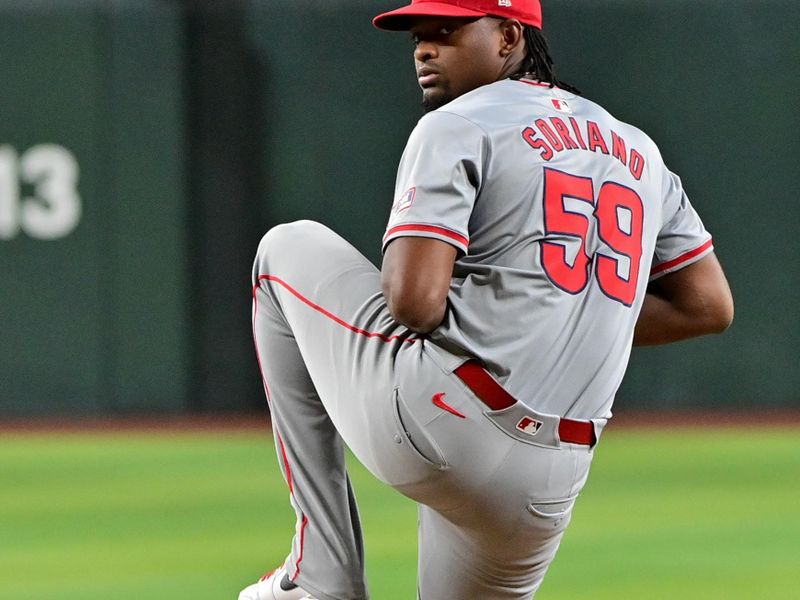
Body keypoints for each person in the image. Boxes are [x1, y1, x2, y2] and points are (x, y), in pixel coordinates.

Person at [238, 0, 734, 598]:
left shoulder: (458, 123)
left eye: (445, 32)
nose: (424, 48)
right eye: (419, 35)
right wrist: (548, 310)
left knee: (283, 250)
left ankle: (321, 574)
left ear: (507, 36)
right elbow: (707, 306)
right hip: (550, 482)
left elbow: (414, 305)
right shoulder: (641, 153)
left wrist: (523, 304)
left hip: (443, 422)